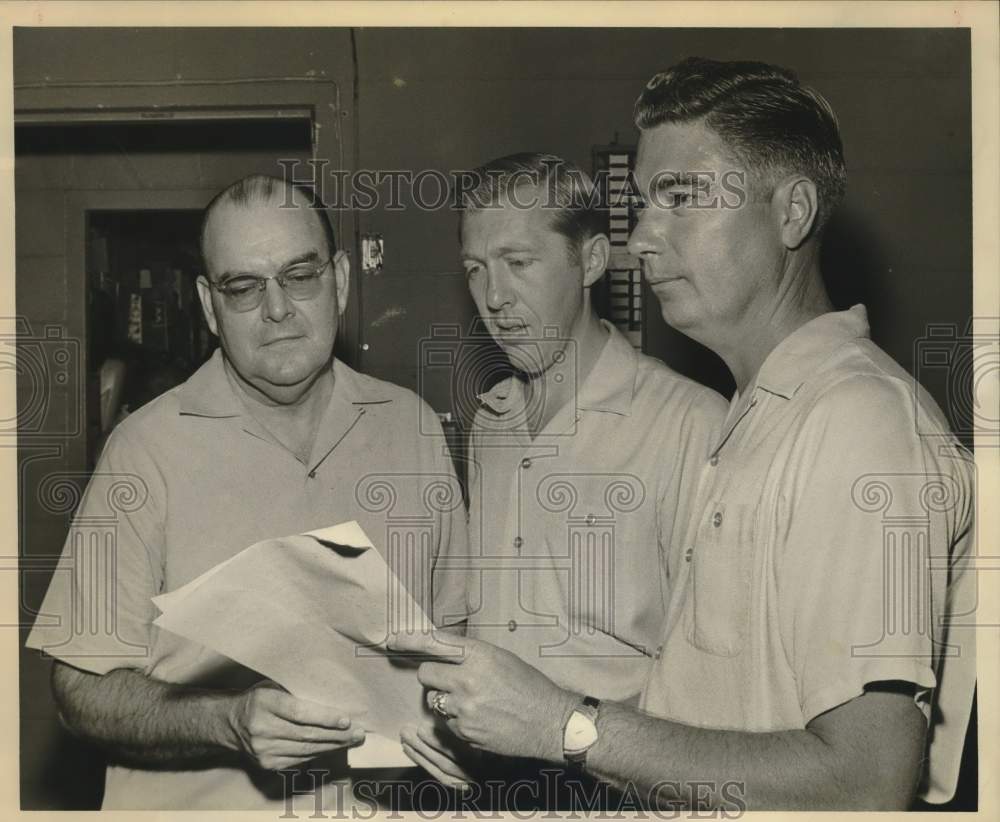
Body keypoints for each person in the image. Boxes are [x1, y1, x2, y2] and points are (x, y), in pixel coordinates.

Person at [392, 59, 976, 811]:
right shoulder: (763, 413)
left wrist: (563, 726)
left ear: (791, 213)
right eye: (642, 202)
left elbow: (865, 781)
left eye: (683, 197)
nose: (642, 236)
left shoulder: (857, 422)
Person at [26, 174, 467, 810]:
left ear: (340, 280)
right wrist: (227, 721)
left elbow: (454, 637)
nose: (278, 308)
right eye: (243, 287)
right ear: (210, 307)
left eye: (300, 275)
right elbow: (79, 689)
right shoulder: (145, 449)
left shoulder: (413, 426)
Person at [405, 153, 727, 797]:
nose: (493, 298)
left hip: (625, 788)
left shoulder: (692, 424)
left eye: (518, 264)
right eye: (475, 270)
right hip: (485, 787)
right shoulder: (491, 423)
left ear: (592, 261)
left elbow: (722, 677)